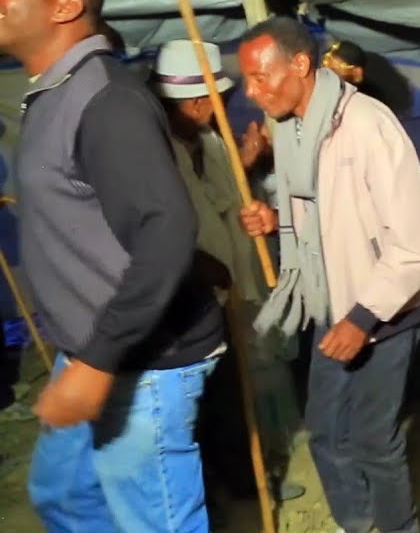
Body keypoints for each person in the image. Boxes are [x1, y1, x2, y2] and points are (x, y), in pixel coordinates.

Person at [4, 0, 224, 531]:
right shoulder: (55, 92)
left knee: (156, 522)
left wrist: (100, 362)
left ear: (65, 7)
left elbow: (167, 229)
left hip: (140, 360)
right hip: (93, 349)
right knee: (65, 497)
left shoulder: (106, 99)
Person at [238, 16, 420, 533]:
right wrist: (277, 218)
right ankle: (359, 521)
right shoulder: (292, 129)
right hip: (330, 302)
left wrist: (362, 318)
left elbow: (413, 247)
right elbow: (327, 213)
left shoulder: (368, 124)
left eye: (261, 78)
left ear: (301, 64)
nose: (252, 93)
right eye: (247, 81)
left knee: (374, 440)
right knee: (326, 431)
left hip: (383, 309)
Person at [150, 40, 306, 514]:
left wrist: (248, 161)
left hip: (231, 284)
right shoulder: (155, 150)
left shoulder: (210, 140)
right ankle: (218, 486)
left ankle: (245, 476)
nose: (209, 107)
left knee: (234, 390)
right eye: (201, 99)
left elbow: (226, 195)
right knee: (204, 398)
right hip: (188, 296)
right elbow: (163, 222)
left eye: (212, 98)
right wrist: (198, 263)